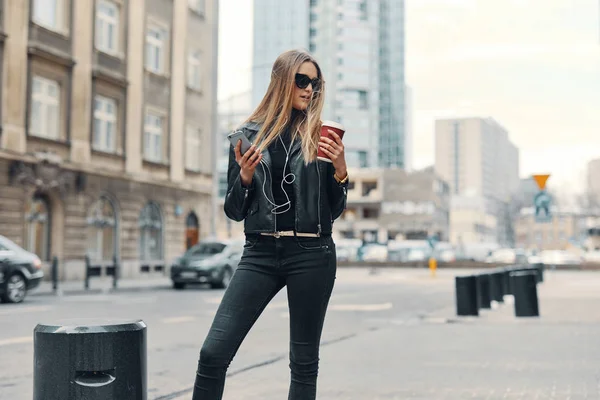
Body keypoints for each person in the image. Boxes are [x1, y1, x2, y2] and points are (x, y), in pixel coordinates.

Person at [192, 49, 349, 399]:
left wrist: (340, 171)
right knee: (212, 353)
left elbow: (333, 210)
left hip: (312, 252)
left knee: (303, 363)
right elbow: (233, 211)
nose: (310, 89)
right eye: (302, 80)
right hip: (259, 253)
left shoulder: (321, 135)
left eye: (316, 83)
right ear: (282, 81)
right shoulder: (245, 135)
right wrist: (245, 176)